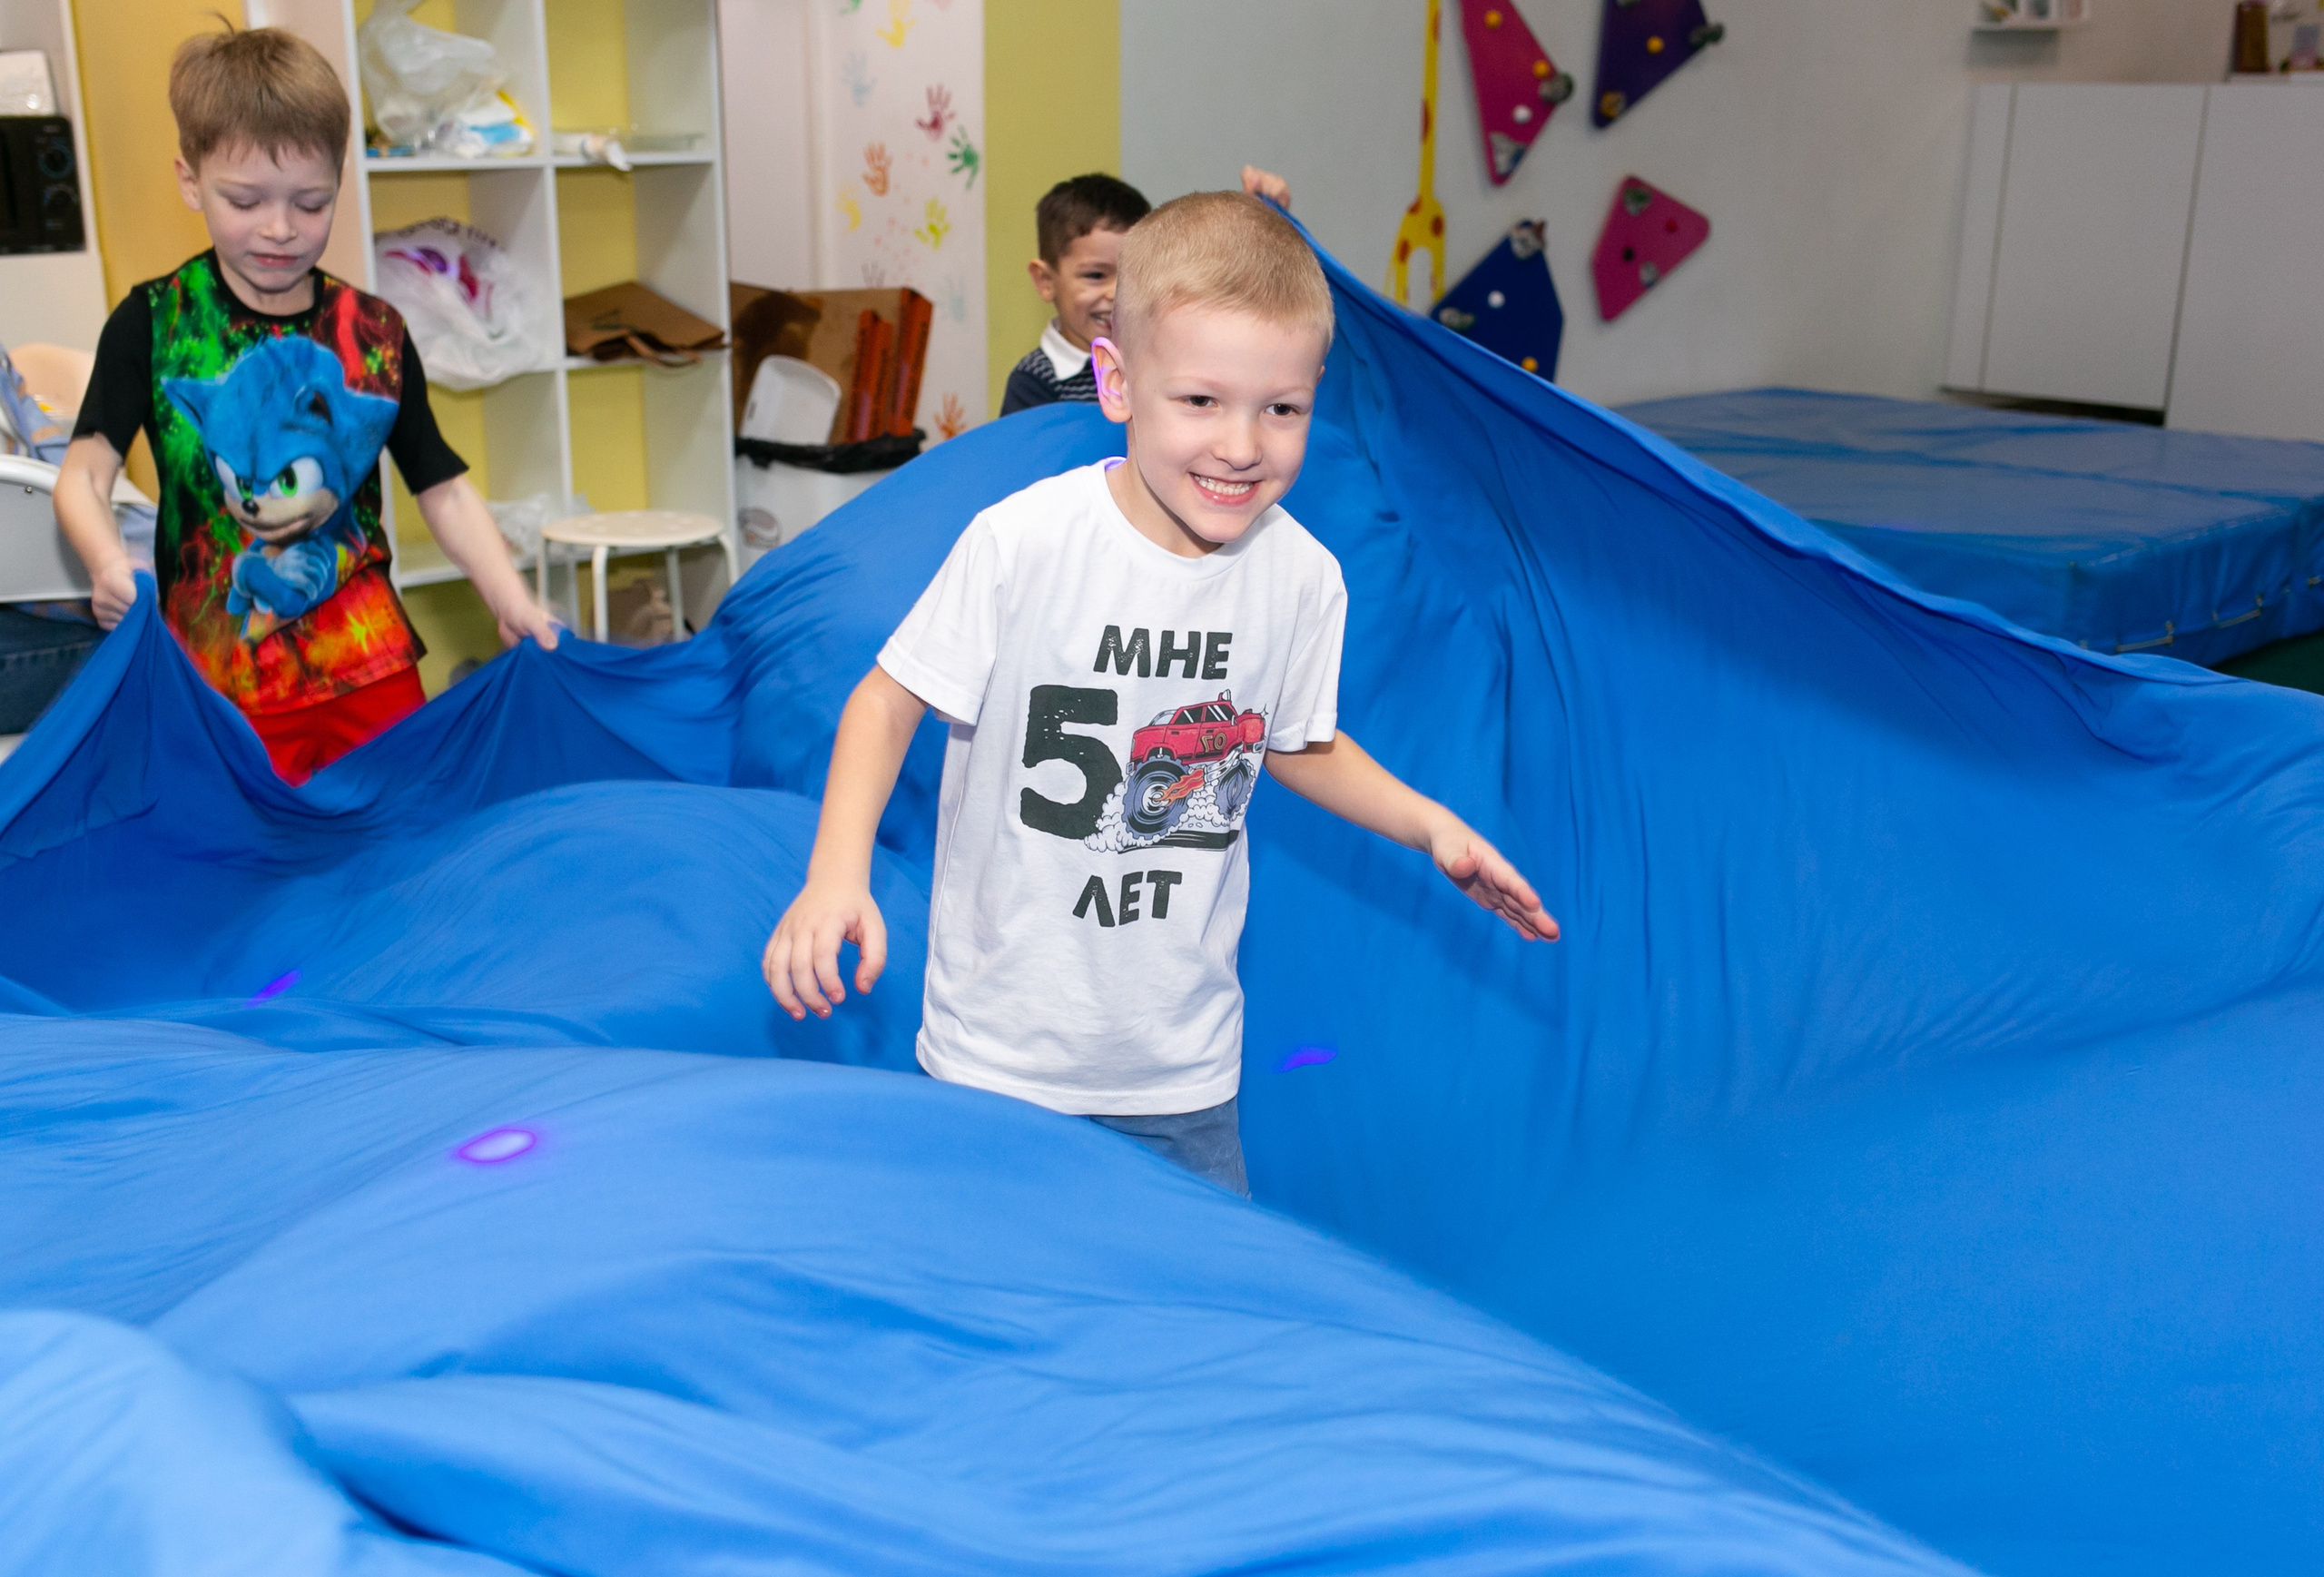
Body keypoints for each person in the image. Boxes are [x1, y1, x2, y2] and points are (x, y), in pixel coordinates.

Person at [764, 191, 1556, 1196]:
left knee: (1188, 1319)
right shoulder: (1025, 543)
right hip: (1001, 1053)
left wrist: (1429, 825)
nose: (1241, 445)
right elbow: (885, 703)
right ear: (1117, 383)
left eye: (1282, 409)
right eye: (1200, 401)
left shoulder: (1302, 577)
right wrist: (837, 876)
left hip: (1178, 1070)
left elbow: (1294, 742)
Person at [52, 24, 555, 784]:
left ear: (338, 182)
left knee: (402, 850)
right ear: (190, 180)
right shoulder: (155, 324)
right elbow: (83, 476)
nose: (280, 229)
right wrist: (104, 562)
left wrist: (509, 595)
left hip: (368, 667)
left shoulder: (375, 333)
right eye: (245, 201)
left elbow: (443, 488)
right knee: (257, 880)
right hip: (223, 686)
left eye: (311, 202)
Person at [999, 166, 1294, 418]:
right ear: (1045, 281)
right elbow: (1029, 470)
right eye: (1095, 275)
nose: (1117, 294)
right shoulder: (1034, 382)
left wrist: (1264, 222)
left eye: (1132, 273)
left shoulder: (1169, 353)